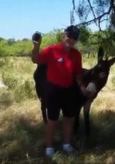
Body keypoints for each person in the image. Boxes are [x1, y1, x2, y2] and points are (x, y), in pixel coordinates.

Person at [31, 25, 91, 158]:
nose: (71, 39)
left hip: (69, 89)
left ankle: (67, 144)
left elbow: (78, 74)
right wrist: (36, 46)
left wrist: (81, 87)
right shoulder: (51, 50)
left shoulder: (76, 55)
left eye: (74, 38)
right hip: (53, 90)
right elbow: (35, 60)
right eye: (69, 36)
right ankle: (49, 148)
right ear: (63, 36)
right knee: (52, 120)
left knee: (69, 118)